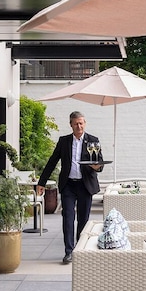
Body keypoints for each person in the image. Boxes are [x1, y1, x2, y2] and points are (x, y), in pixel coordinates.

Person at [37, 110, 103, 264]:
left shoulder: (93, 140)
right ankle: (69, 252)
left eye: (81, 123)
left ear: (85, 123)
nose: (79, 126)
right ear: (71, 125)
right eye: (76, 124)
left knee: (83, 219)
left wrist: (97, 167)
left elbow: (99, 162)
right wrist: (41, 182)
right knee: (68, 217)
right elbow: (52, 162)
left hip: (85, 185)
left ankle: (80, 249)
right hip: (68, 185)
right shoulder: (64, 141)